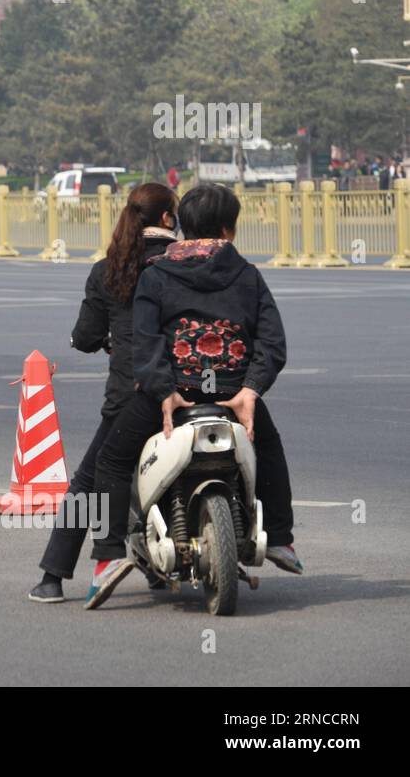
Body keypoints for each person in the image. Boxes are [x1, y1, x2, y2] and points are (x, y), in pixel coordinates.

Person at [83, 184, 301, 610]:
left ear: (183, 224)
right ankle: (280, 539)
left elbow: (143, 344)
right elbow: (272, 342)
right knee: (269, 449)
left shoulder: (157, 275)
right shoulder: (247, 275)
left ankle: (107, 557)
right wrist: (250, 390)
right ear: (228, 229)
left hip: (172, 396)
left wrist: (164, 391)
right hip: (231, 392)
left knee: (110, 460)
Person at [28, 182, 179, 603]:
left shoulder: (109, 269)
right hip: (191, 390)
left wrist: (106, 340)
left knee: (88, 481)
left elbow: (85, 335)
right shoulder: (184, 262)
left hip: (131, 394)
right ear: (167, 219)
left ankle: (53, 576)